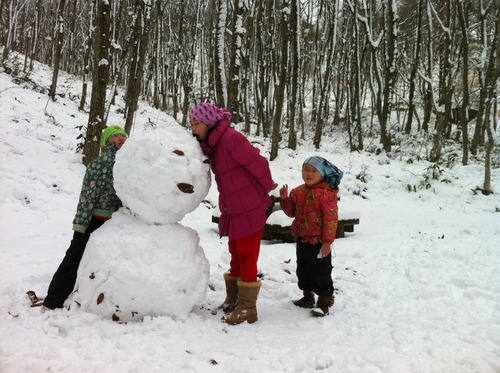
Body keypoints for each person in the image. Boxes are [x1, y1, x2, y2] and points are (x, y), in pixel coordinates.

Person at [190, 102, 277, 325]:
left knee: (247, 256)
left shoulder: (230, 139)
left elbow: (258, 163)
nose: (192, 128)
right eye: (191, 123)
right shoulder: (212, 144)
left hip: (249, 205)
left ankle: (248, 308)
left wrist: (269, 187)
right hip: (233, 207)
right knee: (236, 253)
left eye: (196, 123)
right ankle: (235, 298)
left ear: (209, 123)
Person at [42, 125, 128, 311]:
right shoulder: (99, 164)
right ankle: (52, 302)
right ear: (106, 143)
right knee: (74, 260)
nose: (122, 138)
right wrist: (81, 224)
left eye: (124, 136)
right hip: (93, 221)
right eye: (116, 136)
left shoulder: (128, 165)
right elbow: (87, 197)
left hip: (116, 223)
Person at [279, 156, 342, 317]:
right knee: (304, 270)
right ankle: (308, 297)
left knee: (321, 272)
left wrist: (327, 242)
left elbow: (331, 219)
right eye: (306, 170)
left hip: (319, 242)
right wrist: (285, 200)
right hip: (302, 239)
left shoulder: (326, 194)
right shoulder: (298, 191)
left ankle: (324, 300)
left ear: (322, 174)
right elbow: (291, 212)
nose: (309, 174)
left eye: (314, 171)